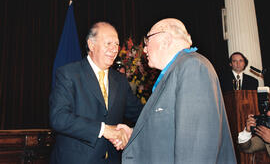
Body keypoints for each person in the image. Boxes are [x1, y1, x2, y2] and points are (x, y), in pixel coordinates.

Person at [118, 18, 237, 163]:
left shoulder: (192, 67)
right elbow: (169, 132)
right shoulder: (178, 70)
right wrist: (134, 134)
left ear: (165, 39)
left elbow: (195, 150)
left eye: (147, 40)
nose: (144, 48)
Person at [49, 22, 143, 164]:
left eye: (116, 44)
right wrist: (104, 130)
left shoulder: (120, 80)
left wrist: (129, 131)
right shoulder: (69, 74)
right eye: (108, 43)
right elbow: (59, 118)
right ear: (91, 45)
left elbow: (141, 114)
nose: (114, 49)